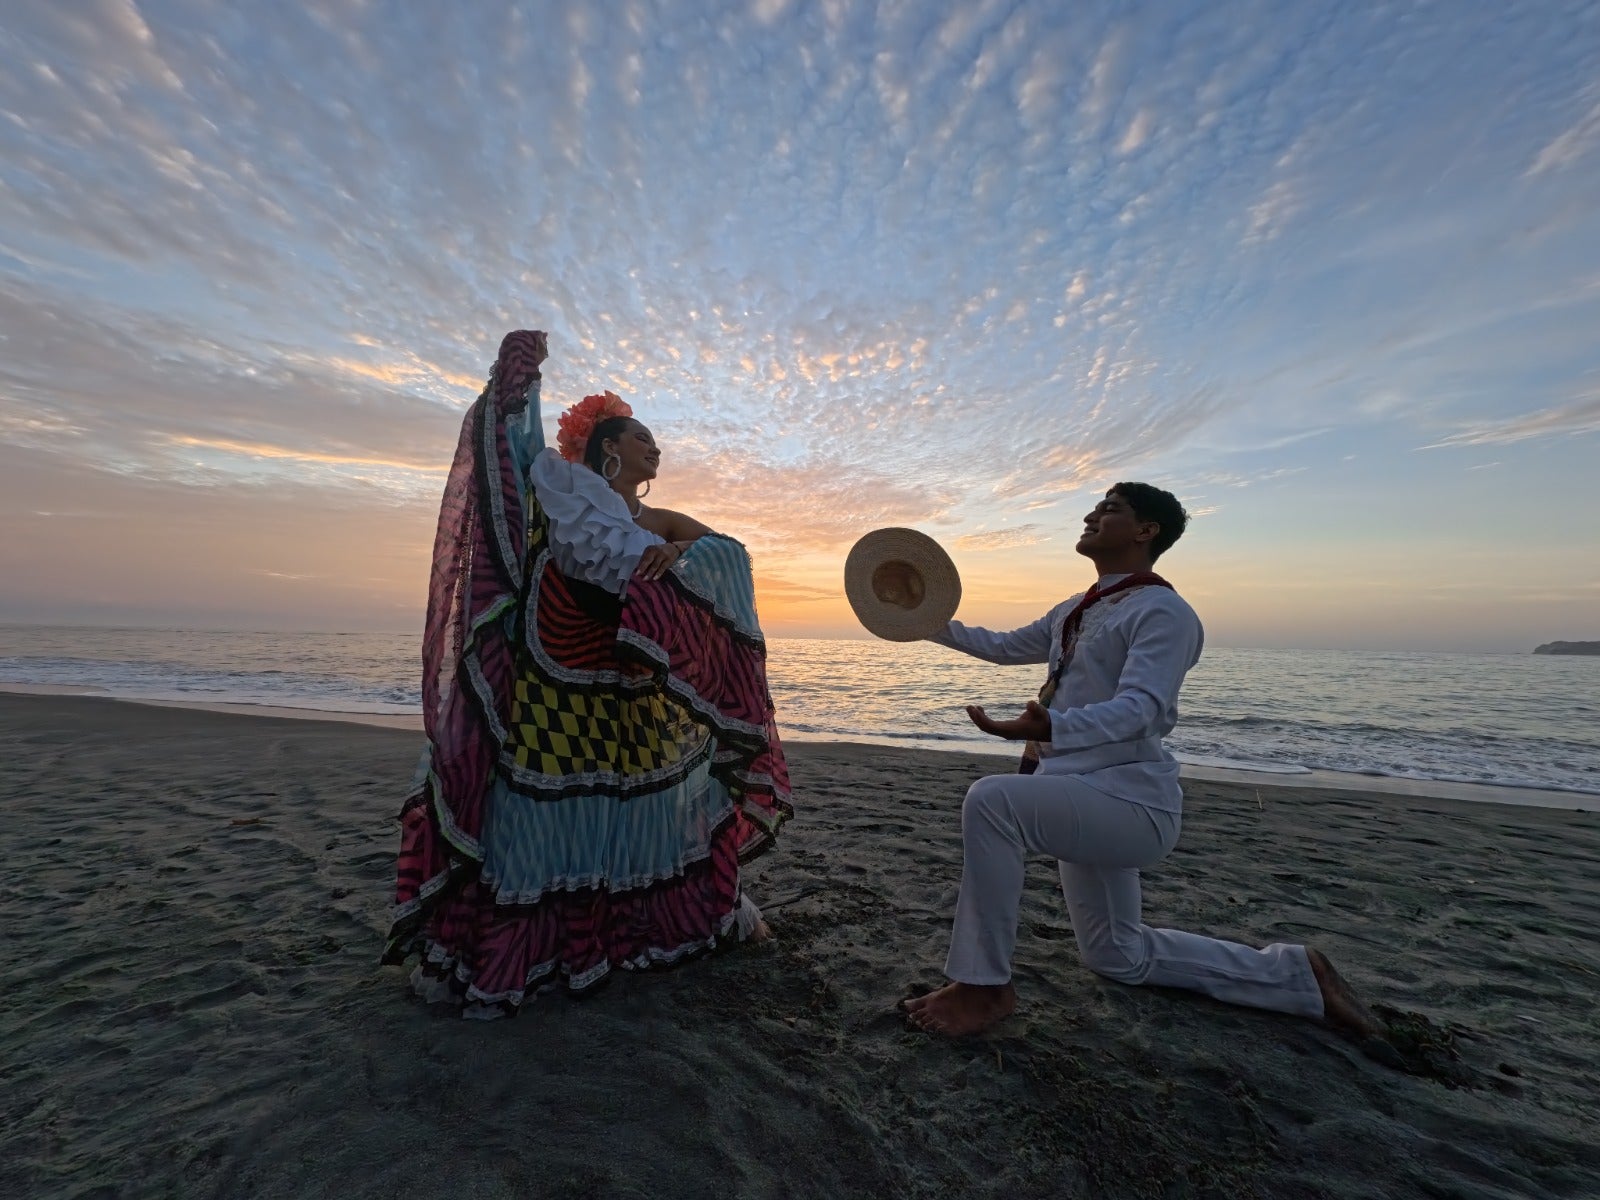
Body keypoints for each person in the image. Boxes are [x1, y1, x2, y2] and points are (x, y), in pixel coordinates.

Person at [384, 330, 792, 1016]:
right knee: (546, 805)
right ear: (608, 446)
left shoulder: (653, 516)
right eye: (642, 438)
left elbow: (725, 547)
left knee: (643, 804)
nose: (655, 448)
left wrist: (677, 553)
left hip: (629, 682)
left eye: (655, 441)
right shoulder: (562, 483)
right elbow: (520, 472)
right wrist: (519, 385)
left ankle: (661, 926)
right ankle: (520, 952)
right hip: (561, 679)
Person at [903, 483, 1381, 1040]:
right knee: (1117, 955)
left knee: (992, 801)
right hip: (1077, 795)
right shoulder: (1075, 609)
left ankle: (982, 986)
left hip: (1130, 801)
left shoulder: (1164, 611)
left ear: (1146, 530)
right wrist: (919, 616)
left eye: (1110, 509)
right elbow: (1002, 645)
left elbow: (1143, 708)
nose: (1091, 515)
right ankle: (1296, 974)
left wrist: (1053, 726)